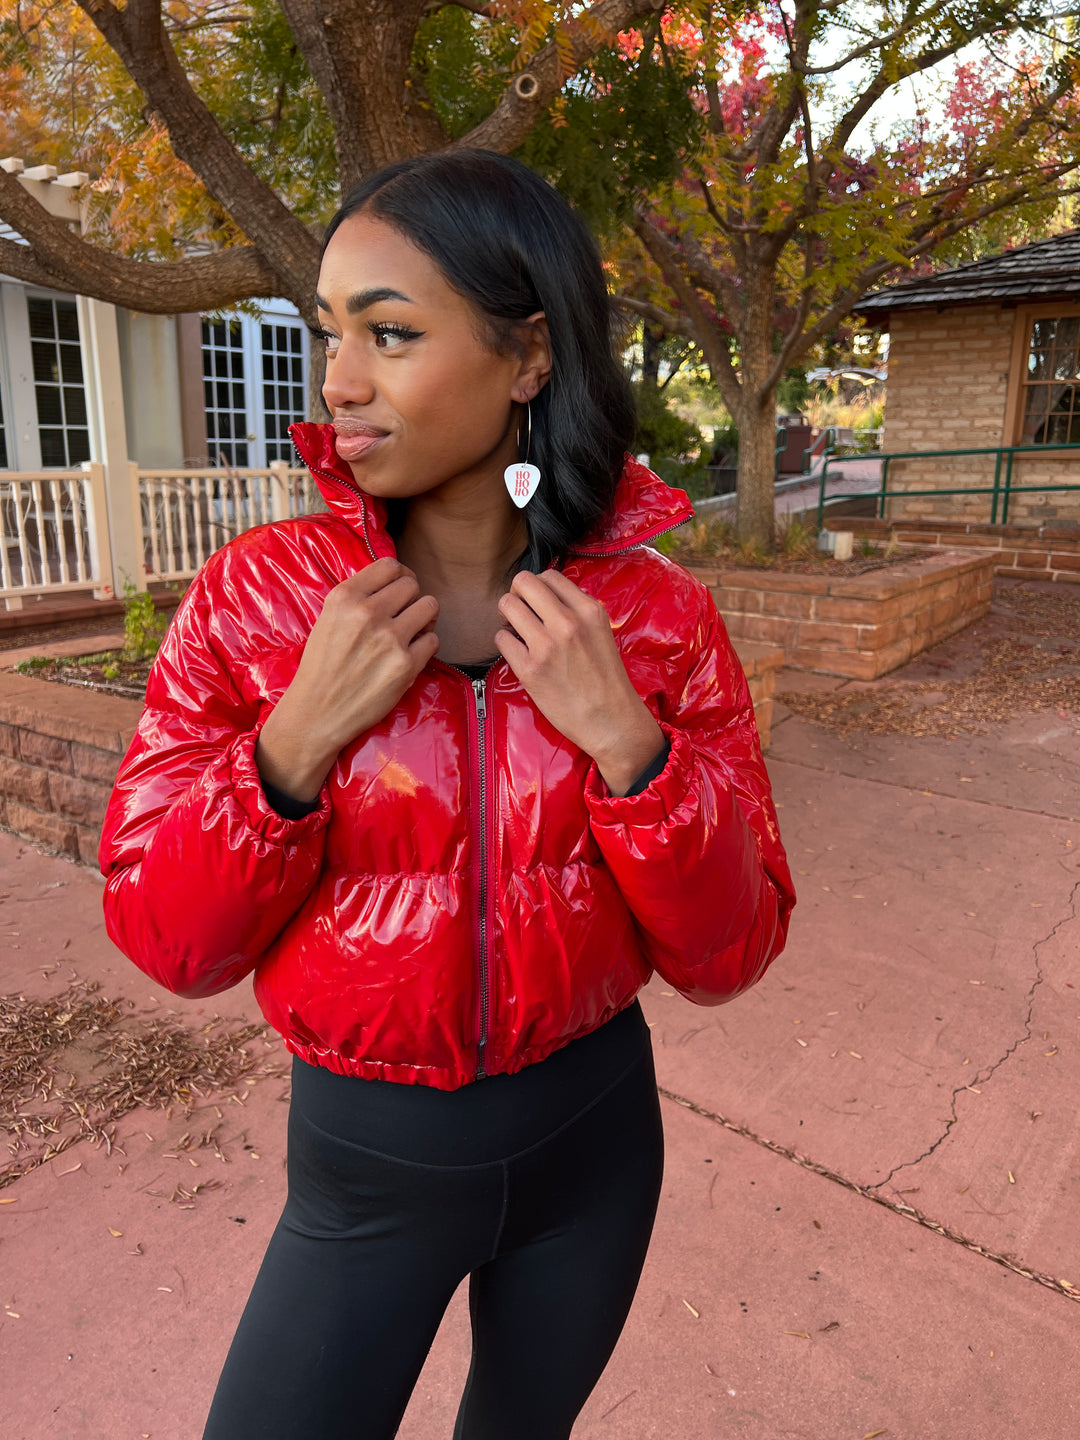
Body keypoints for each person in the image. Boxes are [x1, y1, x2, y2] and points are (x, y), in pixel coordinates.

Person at [99, 149, 795, 1440]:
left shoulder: (657, 620)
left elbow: (730, 951)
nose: (337, 382)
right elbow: (166, 939)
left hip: (595, 1152)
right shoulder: (259, 601)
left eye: (391, 333)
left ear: (527, 356)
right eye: (330, 334)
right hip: (365, 1176)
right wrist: (291, 748)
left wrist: (632, 751)